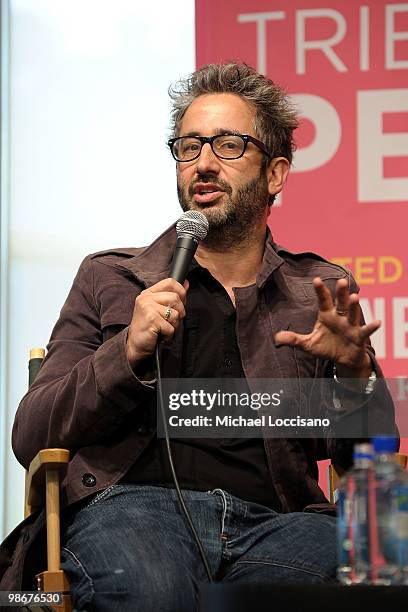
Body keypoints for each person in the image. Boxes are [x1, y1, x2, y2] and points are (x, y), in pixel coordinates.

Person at [1, 63, 396, 611]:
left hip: (277, 524)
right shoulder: (112, 279)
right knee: (154, 591)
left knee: (370, 571)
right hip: (135, 512)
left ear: (275, 173)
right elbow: (31, 434)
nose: (203, 163)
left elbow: (369, 457)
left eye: (228, 145)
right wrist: (127, 351)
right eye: (188, 147)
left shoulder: (318, 290)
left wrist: (356, 377)